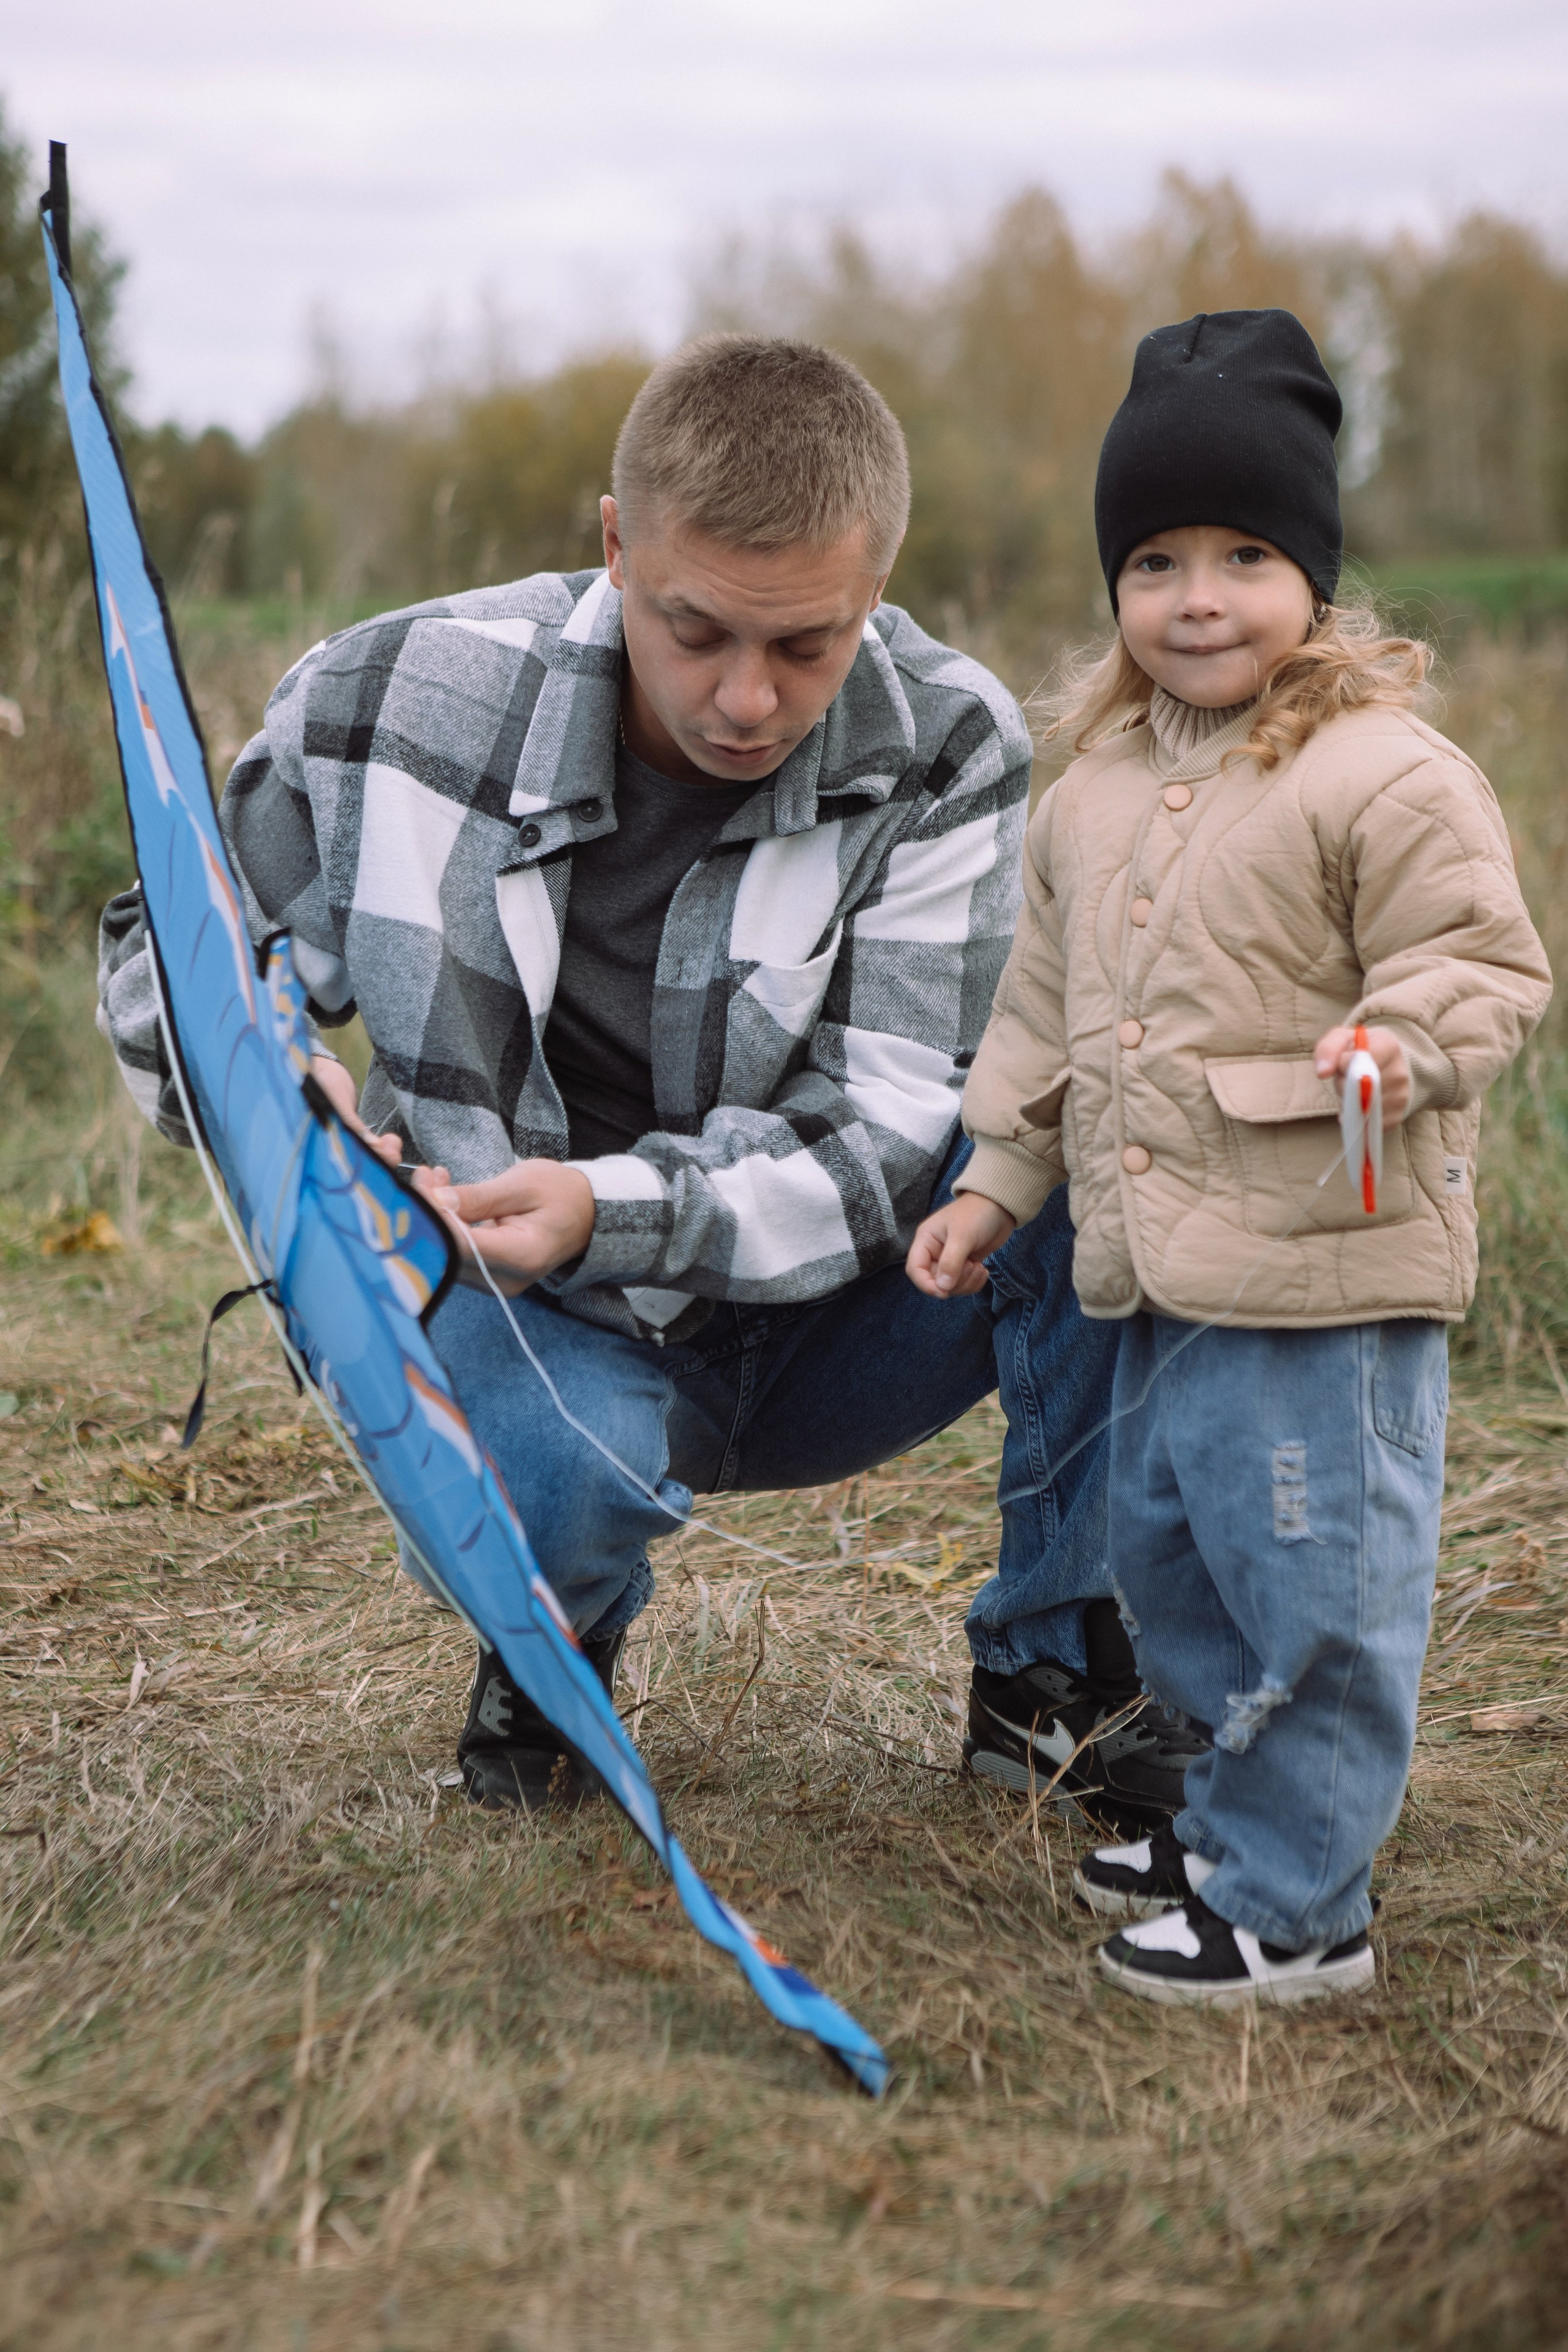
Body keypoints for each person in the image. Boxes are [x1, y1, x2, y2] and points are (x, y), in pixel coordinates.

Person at [98, 334, 1205, 1823]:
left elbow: (890, 1135)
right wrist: (274, 1084)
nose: (745, 697)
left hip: (841, 1318)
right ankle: (551, 1646)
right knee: (554, 1483)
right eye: (696, 631)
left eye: (804, 645)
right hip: (519, 1318)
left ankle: (1049, 1674)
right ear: (616, 546)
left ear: (875, 583)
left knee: (1110, 1130)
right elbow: (166, 946)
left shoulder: (948, 741)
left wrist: (603, 1207)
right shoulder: (388, 696)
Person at [908, 308, 1551, 2005]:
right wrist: (993, 1183)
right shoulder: (1092, 793)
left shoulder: (1381, 774)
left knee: (1311, 1587)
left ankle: (1298, 1910)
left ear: (1313, 576)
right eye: (1157, 562)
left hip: (1325, 1271)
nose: (1198, 599)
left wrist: (1394, 1041)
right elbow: (1039, 1016)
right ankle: (1221, 1823)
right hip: (1157, 1276)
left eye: (1245, 557)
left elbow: (1478, 962)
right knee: (1173, 1568)